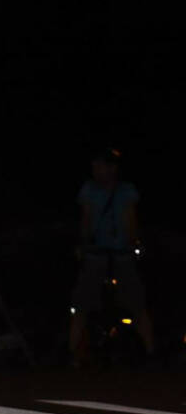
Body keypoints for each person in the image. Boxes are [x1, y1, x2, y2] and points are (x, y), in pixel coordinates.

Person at [68, 146, 154, 363]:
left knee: (136, 302)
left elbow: (130, 220)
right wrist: (83, 244)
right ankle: (72, 353)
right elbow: (86, 220)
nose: (96, 170)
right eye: (94, 166)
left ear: (112, 168)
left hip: (120, 253)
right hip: (97, 253)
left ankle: (151, 352)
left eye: (100, 166)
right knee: (82, 304)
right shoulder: (90, 189)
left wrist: (135, 243)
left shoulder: (126, 190)